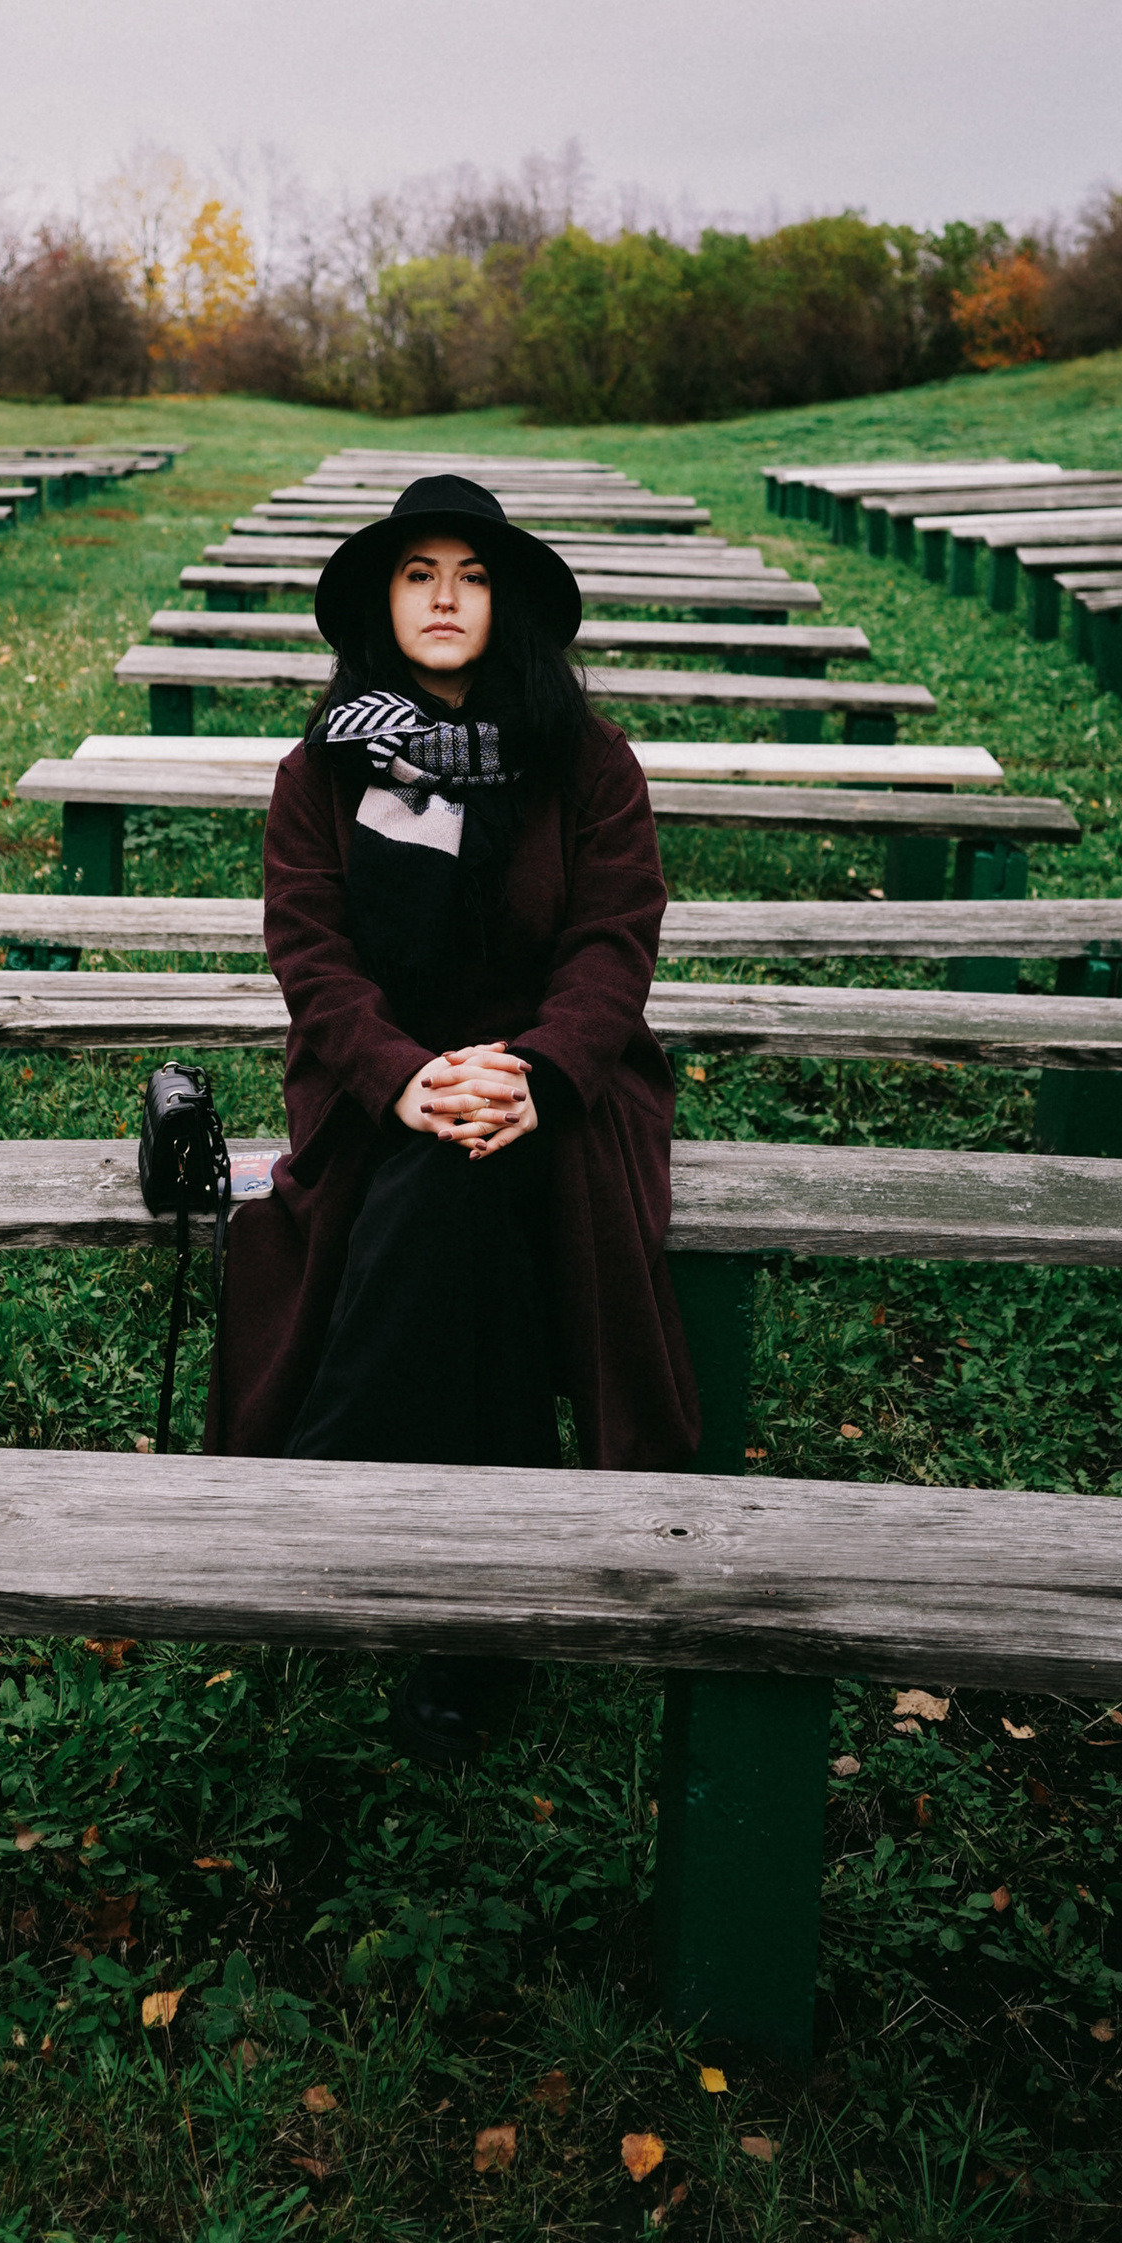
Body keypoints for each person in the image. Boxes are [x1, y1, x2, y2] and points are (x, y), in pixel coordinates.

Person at [202, 471, 698, 1763]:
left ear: (508, 603)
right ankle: (475, 1604)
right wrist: (404, 1078)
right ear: (384, 600)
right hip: (384, 1077)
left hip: (566, 1087)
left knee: (460, 1183)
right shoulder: (323, 767)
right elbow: (310, 955)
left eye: (470, 576)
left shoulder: (585, 762)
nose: (442, 598)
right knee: (441, 1180)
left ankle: (362, 1525)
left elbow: (612, 945)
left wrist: (529, 1073)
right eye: (419, 574)